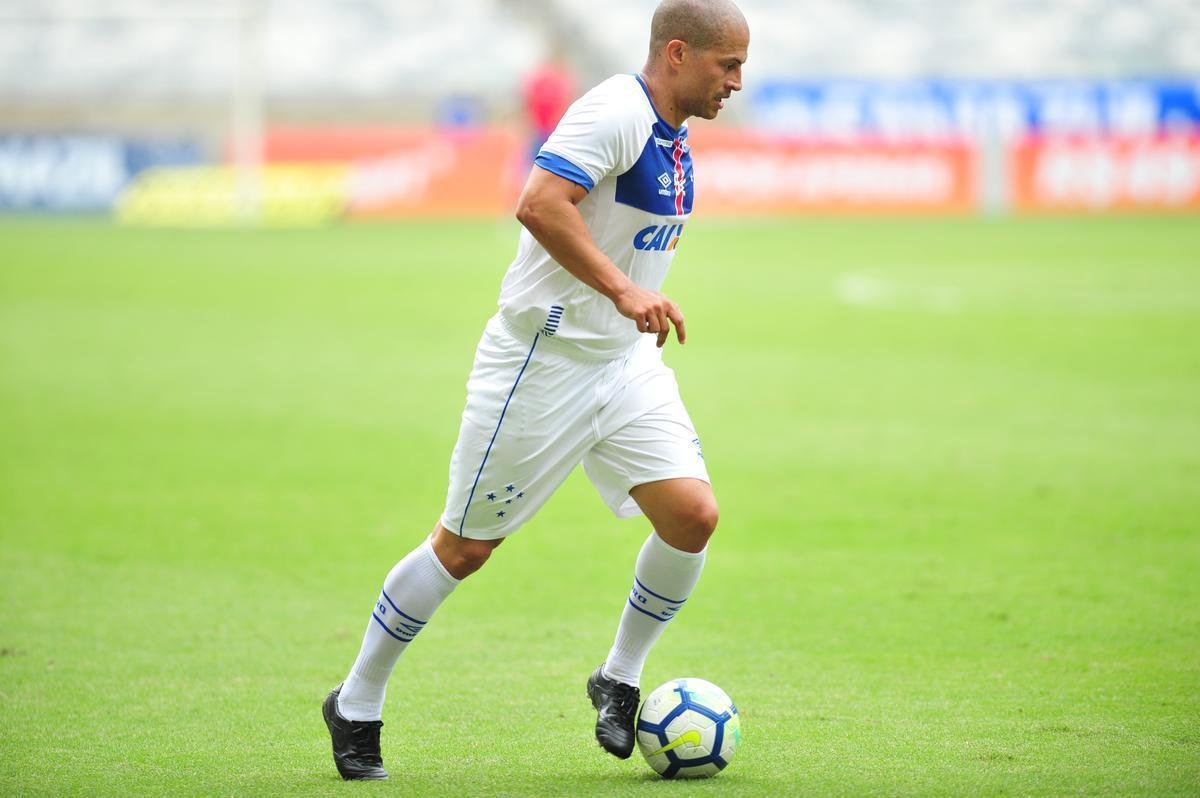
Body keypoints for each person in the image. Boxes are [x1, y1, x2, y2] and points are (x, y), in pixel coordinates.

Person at [322, 0, 749, 780]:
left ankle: (618, 677)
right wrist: (623, 290)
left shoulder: (676, 134)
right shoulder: (613, 111)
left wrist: (624, 310)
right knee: (464, 548)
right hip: (541, 362)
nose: (738, 82)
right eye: (729, 65)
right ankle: (356, 701)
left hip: (623, 364)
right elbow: (538, 203)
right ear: (679, 54)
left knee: (693, 516)